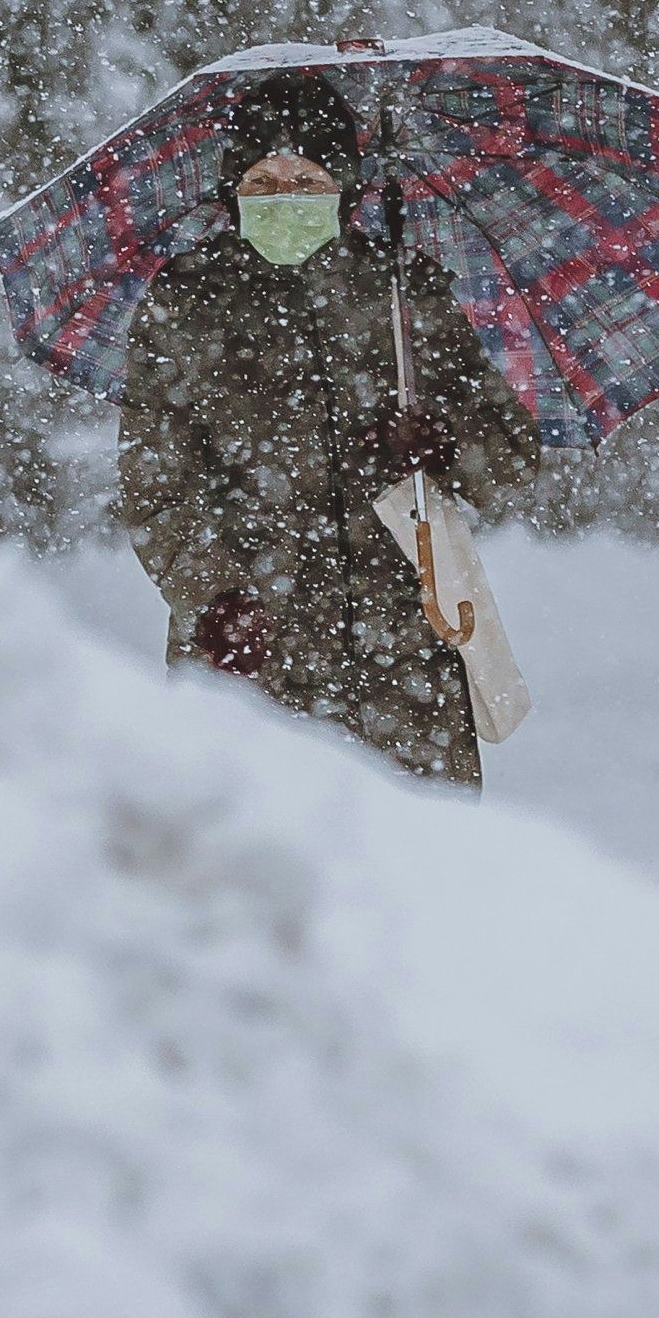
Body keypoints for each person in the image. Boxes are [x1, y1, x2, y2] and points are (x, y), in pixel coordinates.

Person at [118, 73, 538, 789]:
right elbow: (155, 484)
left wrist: (440, 440)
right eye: (262, 179)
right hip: (248, 659)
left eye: (306, 176)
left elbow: (509, 457)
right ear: (231, 190)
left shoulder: (406, 293)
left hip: (404, 666)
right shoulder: (185, 304)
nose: (285, 195)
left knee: (414, 880)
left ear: (344, 187)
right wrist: (216, 597)